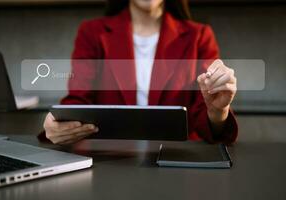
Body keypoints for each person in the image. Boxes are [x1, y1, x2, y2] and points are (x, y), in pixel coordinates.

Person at [41, 0, 238, 145]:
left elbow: (206, 120)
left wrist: (218, 110)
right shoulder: (92, 33)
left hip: (177, 161)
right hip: (111, 161)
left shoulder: (199, 36)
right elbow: (78, 98)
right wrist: (57, 121)